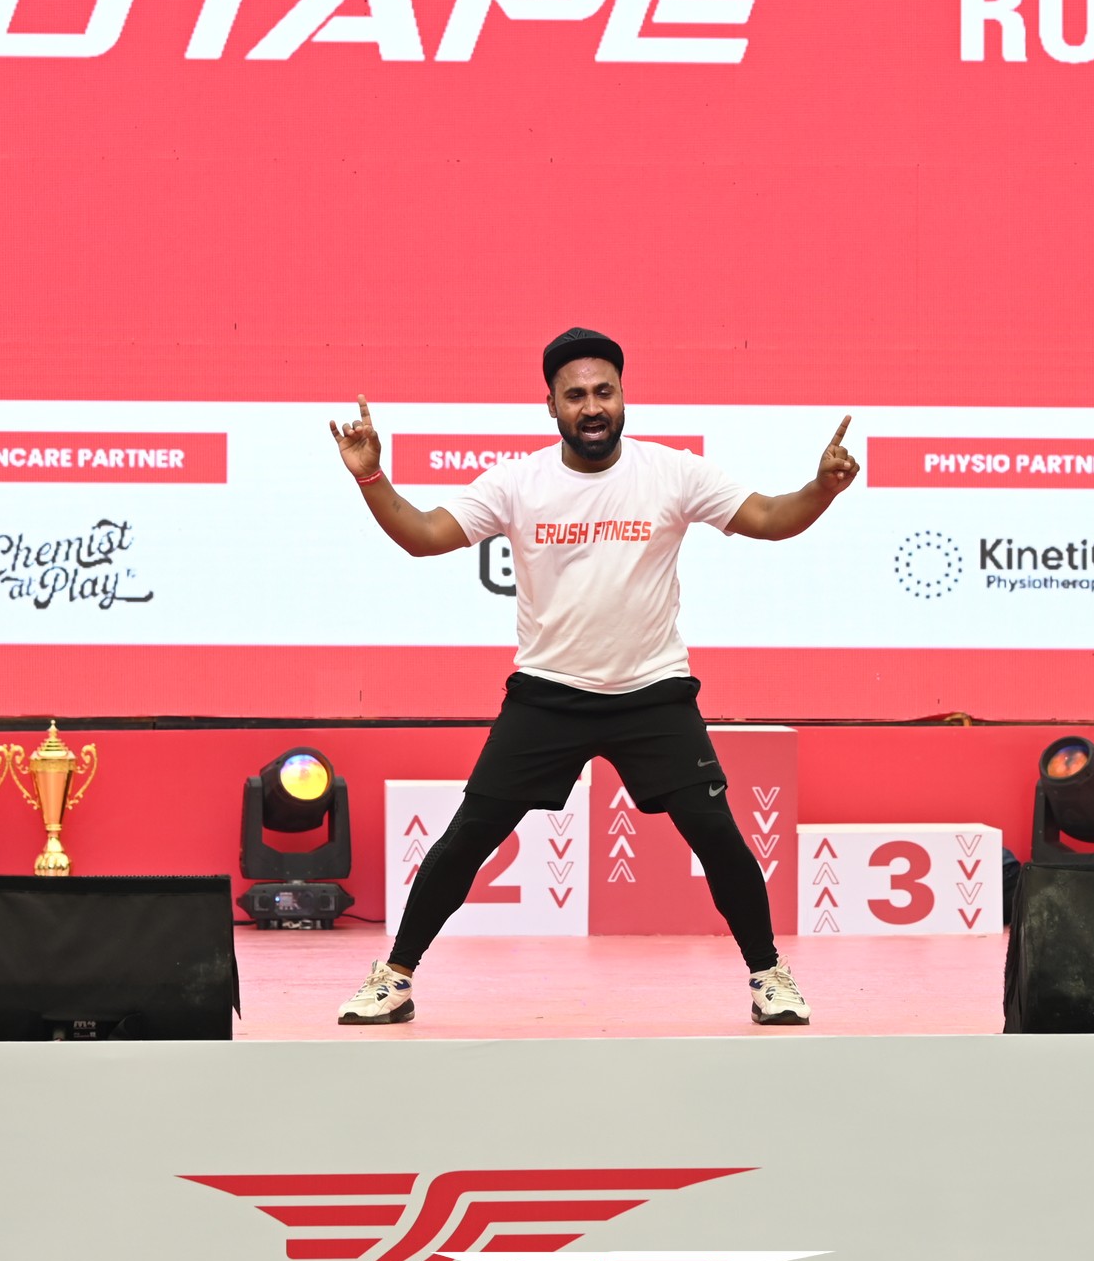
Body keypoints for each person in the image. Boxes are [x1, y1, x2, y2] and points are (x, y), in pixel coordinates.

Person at [327, 326, 855, 1029]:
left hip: (653, 693)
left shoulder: (672, 472)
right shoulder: (517, 483)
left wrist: (821, 488)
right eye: (575, 395)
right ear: (551, 405)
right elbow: (423, 535)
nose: (592, 406)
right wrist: (371, 476)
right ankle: (395, 978)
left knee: (719, 837)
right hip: (548, 695)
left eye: (604, 391)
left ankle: (769, 977)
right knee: (467, 837)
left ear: (624, 395)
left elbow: (767, 517)